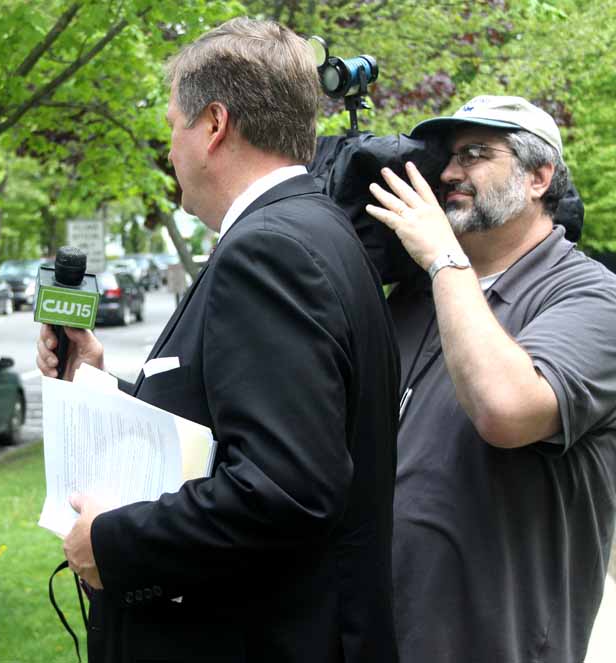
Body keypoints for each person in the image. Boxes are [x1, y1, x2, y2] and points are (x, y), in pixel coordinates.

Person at [37, 18, 400, 663]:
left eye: (173, 127)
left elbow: (282, 489)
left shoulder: (269, 251)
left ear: (213, 124)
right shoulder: (315, 229)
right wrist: (97, 381)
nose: (170, 150)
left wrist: (112, 543)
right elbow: (245, 426)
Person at [366, 96, 616, 662]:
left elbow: (506, 409)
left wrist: (442, 260)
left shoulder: (591, 296)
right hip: (380, 634)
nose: (451, 173)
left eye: (477, 154)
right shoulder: (414, 296)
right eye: (449, 157)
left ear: (539, 177)